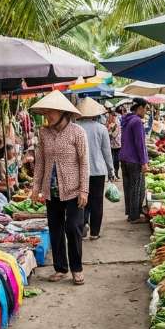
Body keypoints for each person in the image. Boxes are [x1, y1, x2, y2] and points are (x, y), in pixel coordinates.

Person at [29, 91, 89, 285]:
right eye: (45, 112)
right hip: (51, 190)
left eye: (51, 112)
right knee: (55, 230)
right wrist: (35, 188)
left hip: (73, 190)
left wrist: (84, 190)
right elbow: (40, 162)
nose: (48, 116)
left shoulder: (77, 132)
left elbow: (84, 163)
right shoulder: (44, 133)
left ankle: (77, 269)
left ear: (63, 112)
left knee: (73, 228)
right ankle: (61, 268)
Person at [75, 97, 115, 240]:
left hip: (79, 171)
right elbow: (107, 152)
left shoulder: (74, 128)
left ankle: (83, 224)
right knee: (97, 201)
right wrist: (111, 170)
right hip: (98, 171)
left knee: (81, 200)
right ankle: (95, 232)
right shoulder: (101, 129)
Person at [119, 98, 149, 223]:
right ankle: (135, 216)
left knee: (128, 187)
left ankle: (131, 213)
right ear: (140, 108)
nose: (146, 111)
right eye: (146, 108)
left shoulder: (127, 119)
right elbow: (140, 143)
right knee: (137, 188)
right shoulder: (137, 121)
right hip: (134, 160)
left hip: (124, 158)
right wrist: (144, 161)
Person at [107, 107, 122, 180]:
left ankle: (116, 173)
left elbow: (114, 134)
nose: (112, 118)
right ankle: (111, 175)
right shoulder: (107, 124)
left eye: (113, 116)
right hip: (110, 145)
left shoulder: (117, 124)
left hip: (118, 145)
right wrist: (109, 129)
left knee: (116, 160)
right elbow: (106, 134)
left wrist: (110, 129)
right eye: (111, 116)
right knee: (111, 160)